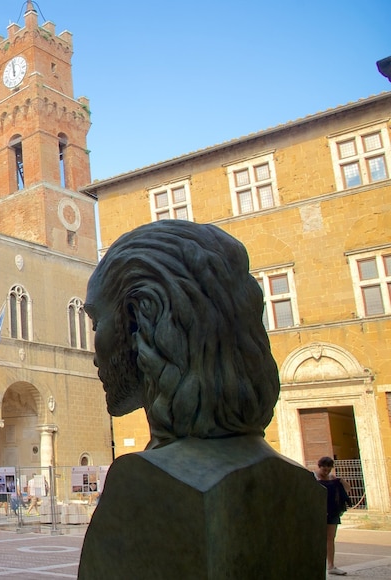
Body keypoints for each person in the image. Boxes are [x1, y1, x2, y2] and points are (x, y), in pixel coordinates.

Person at [78, 221, 327, 578]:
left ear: (137, 319)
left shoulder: (146, 483)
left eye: (95, 324)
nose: (94, 355)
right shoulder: (297, 481)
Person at [316, 457, 351, 576]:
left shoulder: (334, 480)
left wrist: (341, 481)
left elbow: (348, 489)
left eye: (329, 469)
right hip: (317, 512)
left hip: (332, 512)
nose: (326, 471)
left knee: (330, 538)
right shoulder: (313, 478)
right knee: (316, 539)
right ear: (319, 467)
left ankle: (331, 566)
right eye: (324, 469)